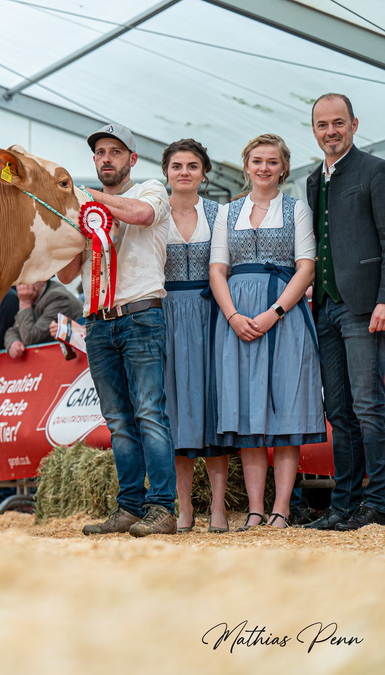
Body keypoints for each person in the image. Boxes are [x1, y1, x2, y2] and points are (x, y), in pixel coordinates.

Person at [57, 123, 175, 537]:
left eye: (114, 151)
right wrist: (77, 227)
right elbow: (65, 270)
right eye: (100, 152)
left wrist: (89, 200)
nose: (106, 158)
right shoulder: (85, 211)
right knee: (118, 420)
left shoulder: (151, 188)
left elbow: (142, 216)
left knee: (148, 414)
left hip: (141, 314)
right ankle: (129, 507)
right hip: (98, 323)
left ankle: (162, 508)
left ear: (132, 159)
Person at [209, 133, 325, 530]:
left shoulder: (296, 210)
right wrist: (233, 315)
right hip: (238, 319)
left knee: (287, 411)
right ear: (246, 165)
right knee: (248, 412)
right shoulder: (228, 212)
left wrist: (275, 312)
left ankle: (282, 509)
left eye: (272, 162)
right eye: (257, 160)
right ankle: (256, 509)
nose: (264, 167)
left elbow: (306, 267)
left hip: (285, 316)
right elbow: (216, 270)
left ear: (283, 168)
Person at [304, 93, 385, 531]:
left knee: (369, 405)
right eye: (322, 125)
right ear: (313, 130)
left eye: (338, 123)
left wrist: (384, 299)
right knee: (338, 411)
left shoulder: (375, 170)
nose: (330, 131)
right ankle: (344, 506)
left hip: (363, 306)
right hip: (327, 309)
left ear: (354, 124)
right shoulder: (314, 180)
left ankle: (379, 502)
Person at [159, 138, 234, 533]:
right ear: (166, 172)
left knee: (213, 410)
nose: (184, 172)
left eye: (192, 165)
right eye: (177, 166)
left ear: (204, 172)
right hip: (168, 315)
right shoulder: (154, 214)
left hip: (211, 315)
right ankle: (184, 507)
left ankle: (219, 507)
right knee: (176, 412)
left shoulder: (220, 214)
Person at [4, 279, 82, 360]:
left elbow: (30, 337)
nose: (20, 286)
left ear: (42, 280)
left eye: (24, 280)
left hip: (76, 360)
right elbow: (13, 330)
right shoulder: (33, 297)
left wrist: (25, 304)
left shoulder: (57, 297)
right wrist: (13, 342)